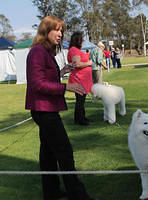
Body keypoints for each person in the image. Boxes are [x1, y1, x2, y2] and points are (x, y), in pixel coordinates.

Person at [25, 16, 100, 200]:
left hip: (46, 109)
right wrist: (66, 86)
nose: (60, 34)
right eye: (56, 30)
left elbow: (46, 78)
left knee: (48, 154)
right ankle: (79, 195)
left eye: (61, 31)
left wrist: (62, 72)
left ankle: (51, 192)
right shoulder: (37, 52)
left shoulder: (45, 52)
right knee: (64, 153)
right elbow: (37, 84)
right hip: (44, 111)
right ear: (45, 31)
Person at [67, 32, 93, 126]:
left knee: (81, 101)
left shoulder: (76, 50)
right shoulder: (74, 50)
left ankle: (80, 118)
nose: (82, 41)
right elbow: (77, 64)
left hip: (82, 79)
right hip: (79, 79)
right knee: (80, 101)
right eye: (81, 39)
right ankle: (81, 120)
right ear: (77, 40)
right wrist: (89, 63)